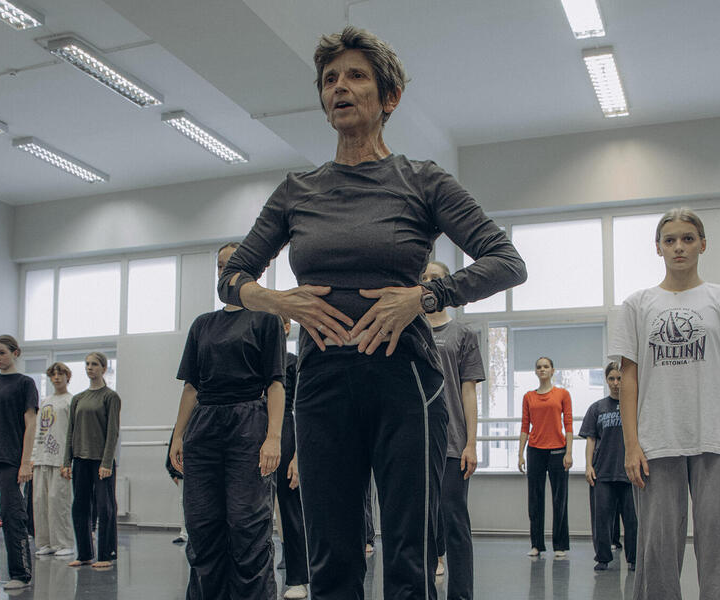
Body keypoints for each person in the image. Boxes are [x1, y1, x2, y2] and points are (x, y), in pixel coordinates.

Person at [217, 25, 526, 600]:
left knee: (409, 555)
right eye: (330, 79)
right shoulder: (297, 191)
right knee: (330, 555)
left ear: (390, 98)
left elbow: (507, 261)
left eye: (356, 76)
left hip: (406, 382)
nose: (340, 87)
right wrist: (275, 300)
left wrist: (427, 296)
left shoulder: (422, 180)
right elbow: (231, 280)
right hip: (321, 385)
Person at [611, 207, 720, 600]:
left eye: (688, 239)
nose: (679, 247)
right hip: (657, 441)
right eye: (670, 240)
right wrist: (631, 444)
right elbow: (629, 377)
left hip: (715, 439)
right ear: (657, 248)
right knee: (656, 550)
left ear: (703, 244)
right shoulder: (637, 304)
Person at [170, 242, 285, 600]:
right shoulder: (203, 325)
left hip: (248, 423)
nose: (226, 270)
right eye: (221, 265)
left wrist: (274, 437)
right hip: (203, 427)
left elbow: (276, 383)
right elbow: (191, 386)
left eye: (232, 264)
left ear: (254, 270)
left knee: (246, 524)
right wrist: (177, 437)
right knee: (203, 525)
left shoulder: (267, 321)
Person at [422, 261, 485, 599]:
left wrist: (471, 442)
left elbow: (469, 391)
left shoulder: (463, 334)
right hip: (415, 445)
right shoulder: (408, 332)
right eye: (424, 278)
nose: (429, 284)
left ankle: (460, 594)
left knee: (454, 522)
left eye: (436, 279)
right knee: (422, 527)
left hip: (452, 446)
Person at [0, 335, 38, 590]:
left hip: (11, 459)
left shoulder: (25, 383)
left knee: (13, 516)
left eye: (1, 353)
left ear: (15, 352)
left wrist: (25, 462)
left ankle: (20, 574)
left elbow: (31, 423)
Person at [62, 352, 121, 569]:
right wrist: (67, 461)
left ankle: (105, 555)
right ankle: (85, 553)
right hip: (80, 460)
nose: (89, 368)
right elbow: (71, 431)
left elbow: (112, 432)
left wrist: (106, 463)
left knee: (104, 508)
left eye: (94, 364)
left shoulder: (110, 397)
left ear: (103, 368)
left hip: (101, 462)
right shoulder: (78, 398)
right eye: (87, 364)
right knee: (79, 507)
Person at [579, 362, 637, 571]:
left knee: (632, 520)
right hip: (602, 472)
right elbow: (591, 440)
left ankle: (634, 558)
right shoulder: (597, 408)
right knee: (601, 519)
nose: (615, 383)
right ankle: (602, 558)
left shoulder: (635, 406)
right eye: (611, 379)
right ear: (606, 380)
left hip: (629, 473)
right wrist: (588, 466)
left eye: (619, 379)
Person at [518, 357, 573, 557]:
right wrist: (520, 453)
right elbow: (525, 426)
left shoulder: (562, 394)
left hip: (558, 450)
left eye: (546, 366)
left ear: (552, 370)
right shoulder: (528, 397)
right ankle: (537, 545)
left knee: (560, 499)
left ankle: (560, 545)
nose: (542, 369)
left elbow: (568, 424)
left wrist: (569, 452)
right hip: (535, 451)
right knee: (535, 499)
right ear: (535, 371)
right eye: (539, 367)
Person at [274, 315, 309, 599]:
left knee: (290, 505)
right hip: (256, 427)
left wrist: (298, 454)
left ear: (287, 327)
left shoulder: (293, 362)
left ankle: (298, 577)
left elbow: (302, 408)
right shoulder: (258, 361)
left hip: (287, 429)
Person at [33, 362, 75, 557]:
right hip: (42, 457)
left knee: (58, 502)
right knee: (40, 501)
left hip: (60, 459)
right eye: (53, 375)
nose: (57, 378)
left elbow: (73, 432)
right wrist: (33, 456)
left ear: (67, 376)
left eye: (60, 374)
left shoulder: (70, 401)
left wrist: (69, 461)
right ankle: (45, 542)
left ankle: (63, 543)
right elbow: (38, 430)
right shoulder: (45, 401)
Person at [165, 429, 188, 544]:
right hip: (183, 473)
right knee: (183, 501)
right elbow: (172, 448)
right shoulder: (181, 428)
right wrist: (173, 472)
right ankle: (184, 533)